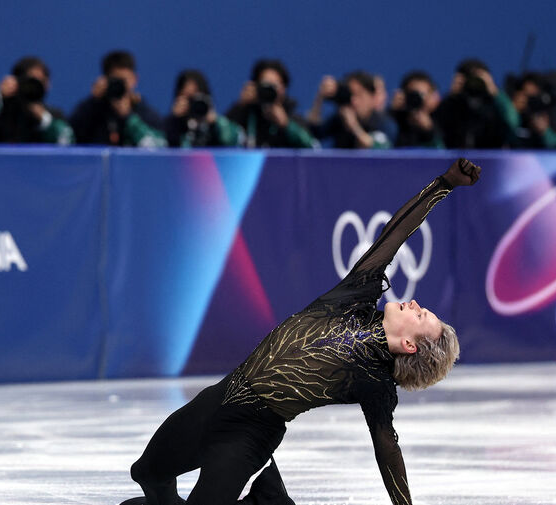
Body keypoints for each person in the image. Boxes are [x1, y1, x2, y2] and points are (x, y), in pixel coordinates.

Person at [123, 158, 481, 505]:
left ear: (408, 345)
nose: (415, 303)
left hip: (250, 433)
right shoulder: (356, 296)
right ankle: (267, 496)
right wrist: (444, 184)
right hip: (219, 398)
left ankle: (265, 498)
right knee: (147, 473)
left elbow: (387, 448)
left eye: (421, 316)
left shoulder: (375, 383)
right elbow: (395, 234)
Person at [68, 50, 166, 147]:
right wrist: (93, 101)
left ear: (135, 79)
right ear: (105, 80)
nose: (121, 85)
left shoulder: (146, 113)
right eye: (116, 80)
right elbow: (70, 138)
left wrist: (128, 117)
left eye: (124, 80)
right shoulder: (91, 109)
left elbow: (158, 147)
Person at [0, 56, 73, 145]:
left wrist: (44, 119)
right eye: (30, 81)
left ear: (47, 85)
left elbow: (66, 142)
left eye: (39, 82)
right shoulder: (1, 113)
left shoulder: (54, 116)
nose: (32, 86)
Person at [225, 59, 317, 148]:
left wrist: (286, 125)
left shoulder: (292, 118)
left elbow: (312, 148)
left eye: (274, 85)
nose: (269, 90)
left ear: (284, 89)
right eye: (265, 85)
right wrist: (240, 105)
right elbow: (222, 137)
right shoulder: (244, 114)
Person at [435, 59, 512, 148]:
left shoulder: (494, 105)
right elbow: (437, 131)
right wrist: (452, 95)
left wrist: (495, 92)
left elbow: (512, 125)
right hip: (456, 160)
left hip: (490, 159)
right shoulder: (452, 105)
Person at [306, 71, 393, 149]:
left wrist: (354, 126)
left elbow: (376, 147)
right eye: (351, 94)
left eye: (359, 95)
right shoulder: (340, 119)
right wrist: (320, 98)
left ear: (372, 97)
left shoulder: (384, 123)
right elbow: (313, 134)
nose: (353, 101)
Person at [164, 69, 243, 147]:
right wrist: (174, 120)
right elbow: (167, 148)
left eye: (196, 98)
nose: (193, 104)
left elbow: (227, 145)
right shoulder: (172, 124)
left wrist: (213, 125)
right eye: (188, 98)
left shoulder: (217, 124)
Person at [503, 72, 556, 150]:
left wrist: (545, 132)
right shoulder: (515, 118)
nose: (527, 101)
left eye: (534, 98)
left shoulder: (552, 117)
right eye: (526, 96)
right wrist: (513, 111)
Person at [388, 71, 443, 148]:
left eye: (422, 94)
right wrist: (392, 112)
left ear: (431, 96)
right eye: (413, 94)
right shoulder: (394, 119)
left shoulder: (440, 120)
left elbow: (443, 155)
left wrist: (429, 131)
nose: (417, 99)